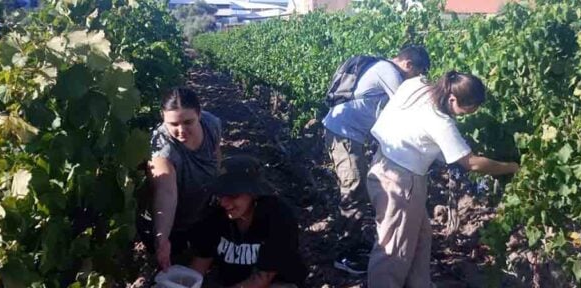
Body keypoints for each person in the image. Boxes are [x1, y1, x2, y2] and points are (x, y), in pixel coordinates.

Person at [366, 71, 520, 287]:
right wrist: (512, 167)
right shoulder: (440, 122)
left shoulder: (416, 85)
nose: (465, 115)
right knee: (393, 247)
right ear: (453, 99)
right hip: (402, 182)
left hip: (383, 165)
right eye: (467, 110)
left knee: (420, 237)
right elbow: (472, 163)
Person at [322, 45, 431, 274]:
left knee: (357, 187)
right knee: (353, 188)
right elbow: (407, 105)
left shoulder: (382, 68)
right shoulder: (388, 71)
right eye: (418, 73)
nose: (416, 79)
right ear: (408, 64)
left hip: (347, 134)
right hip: (344, 134)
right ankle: (344, 254)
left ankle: (353, 241)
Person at [190, 156, 307, 288]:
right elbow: (201, 262)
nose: (224, 203)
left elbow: (263, 278)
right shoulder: (213, 214)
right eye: (221, 194)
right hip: (230, 281)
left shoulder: (278, 217)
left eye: (233, 195)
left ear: (253, 194)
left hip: (275, 282)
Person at [147, 87, 223, 270]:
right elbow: (166, 192)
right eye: (173, 124)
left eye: (188, 122)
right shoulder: (162, 146)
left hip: (205, 206)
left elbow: (216, 155)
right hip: (174, 218)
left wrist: (219, 187)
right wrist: (162, 239)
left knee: (207, 252)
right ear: (163, 117)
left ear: (199, 114)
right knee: (171, 262)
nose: (181, 130)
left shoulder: (211, 124)